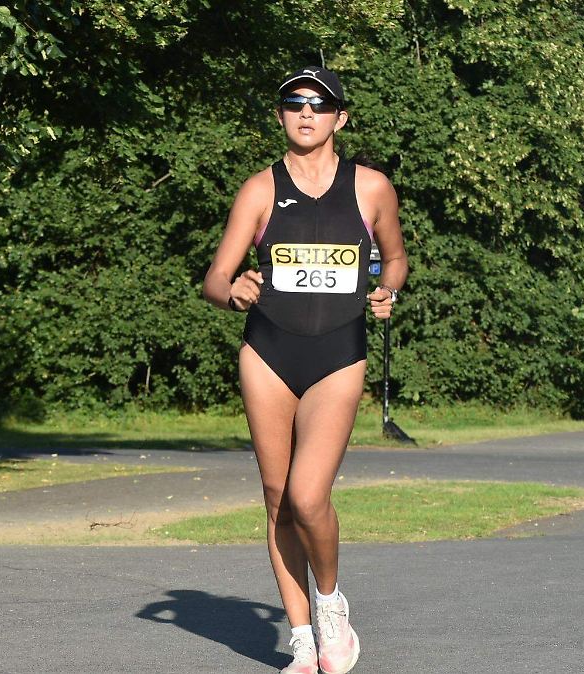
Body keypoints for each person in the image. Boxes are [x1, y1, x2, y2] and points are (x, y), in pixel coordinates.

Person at [202, 65, 407, 674]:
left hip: (338, 353)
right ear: (281, 115)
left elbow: (394, 260)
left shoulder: (371, 188)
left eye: (320, 105)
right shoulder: (258, 190)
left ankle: (330, 605)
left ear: (340, 118)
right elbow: (214, 277)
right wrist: (232, 290)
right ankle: (300, 639)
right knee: (276, 500)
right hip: (267, 352)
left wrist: (388, 290)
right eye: (294, 104)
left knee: (307, 495)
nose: (306, 113)